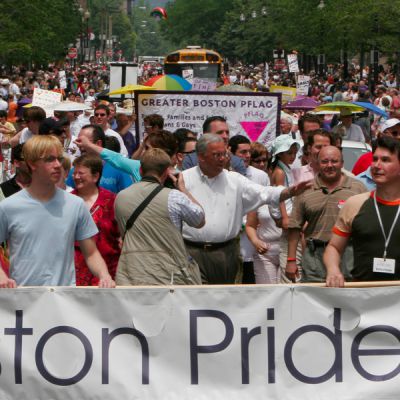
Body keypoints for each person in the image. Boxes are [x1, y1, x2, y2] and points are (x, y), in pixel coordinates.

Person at [182, 134, 311, 284]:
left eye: (224, 154)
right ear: (201, 157)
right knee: (195, 295)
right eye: (217, 155)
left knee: (227, 295)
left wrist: (289, 192)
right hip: (192, 253)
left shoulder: (234, 179)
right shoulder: (183, 180)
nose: (223, 159)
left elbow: (264, 193)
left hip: (227, 254)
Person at [0, 135, 115, 288]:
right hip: (24, 297)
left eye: (59, 159)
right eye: (50, 159)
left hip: (64, 297)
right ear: (32, 164)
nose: (58, 165)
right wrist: (1, 276)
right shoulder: (9, 207)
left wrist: (104, 275)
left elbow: (91, 252)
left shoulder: (75, 204)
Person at [115, 148, 205, 286]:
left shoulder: (121, 197)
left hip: (131, 274)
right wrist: (182, 188)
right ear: (166, 173)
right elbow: (200, 220)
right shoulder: (174, 197)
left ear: (140, 170)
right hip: (168, 277)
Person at [325, 136, 400, 287]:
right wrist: (333, 270)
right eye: (375, 159)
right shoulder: (354, 204)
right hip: (362, 295)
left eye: (385, 160)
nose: (377, 165)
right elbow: (334, 247)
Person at [287, 146, 367, 283]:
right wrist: (291, 260)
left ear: (342, 163)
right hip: (314, 258)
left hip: (349, 256)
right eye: (324, 161)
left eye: (334, 161)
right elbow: (294, 227)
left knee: (350, 295)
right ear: (317, 164)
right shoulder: (305, 189)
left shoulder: (358, 188)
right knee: (314, 295)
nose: (329, 165)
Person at [72, 154, 121, 286]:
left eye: (81, 173)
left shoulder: (112, 201)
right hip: (74, 275)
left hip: (107, 276)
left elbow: (122, 235)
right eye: (74, 173)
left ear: (95, 176)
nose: (76, 177)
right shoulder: (67, 201)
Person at [68, 124, 135, 193]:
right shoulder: (75, 172)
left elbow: (129, 196)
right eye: (78, 141)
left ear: (98, 143)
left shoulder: (118, 168)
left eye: (84, 142)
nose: (80, 146)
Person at [182, 116, 246, 175]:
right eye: (220, 132)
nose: (225, 136)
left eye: (227, 132)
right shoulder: (191, 160)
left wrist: (229, 168)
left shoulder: (237, 162)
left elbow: (240, 183)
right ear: (206, 135)